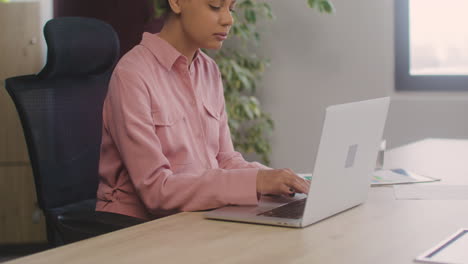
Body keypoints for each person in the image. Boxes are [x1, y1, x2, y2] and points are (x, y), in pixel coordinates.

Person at [96, 0, 310, 220]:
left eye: (231, 8)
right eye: (215, 6)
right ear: (177, 3)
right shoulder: (132, 74)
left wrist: (277, 179)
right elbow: (156, 191)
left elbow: (224, 159)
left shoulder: (209, 70)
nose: (228, 19)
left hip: (192, 219)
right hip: (134, 228)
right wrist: (256, 181)